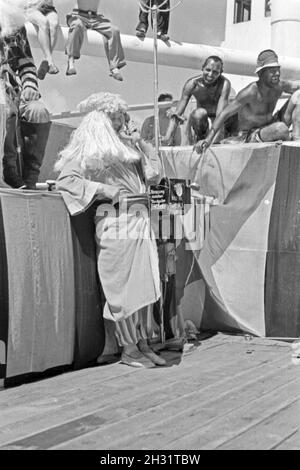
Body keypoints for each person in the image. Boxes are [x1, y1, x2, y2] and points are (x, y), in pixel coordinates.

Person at [55, 92, 166, 368]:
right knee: (123, 288)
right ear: (101, 121)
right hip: (115, 221)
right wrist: (103, 189)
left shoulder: (126, 147)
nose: (121, 125)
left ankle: (142, 343)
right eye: (115, 120)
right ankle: (128, 349)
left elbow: (154, 175)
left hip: (139, 219)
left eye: (122, 119)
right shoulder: (87, 150)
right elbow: (66, 181)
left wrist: (139, 143)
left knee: (143, 284)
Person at [195, 49, 300, 152]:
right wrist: (208, 139)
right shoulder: (250, 92)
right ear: (261, 73)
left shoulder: (279, 85)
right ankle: (292, 142)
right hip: (250, 135)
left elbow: (296, 85)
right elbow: (224, 114)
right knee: (281, 129)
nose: (277, 73)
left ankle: (296, 139)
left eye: (278, 69)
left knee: (298, 95)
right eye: (272, 71)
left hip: (272, 123)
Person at [1, 26, 51, 189]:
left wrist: (30, 85)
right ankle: (9, 169)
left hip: (12, 92)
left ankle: (31, 179)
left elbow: (26, 64)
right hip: (4, 99)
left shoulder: (12, 24)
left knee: (38, 111)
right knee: (4, 106)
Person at [162, 56, 232, 145]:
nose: (210, 75)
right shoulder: (192, 84)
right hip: (199, 121)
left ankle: (211, 142)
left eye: (215, 72)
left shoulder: (224, 84)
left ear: (220, 72)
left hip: (218, 121)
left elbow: (220, 116)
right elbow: (177, 114)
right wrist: (168, 137)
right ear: (202, 68)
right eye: (208, 70)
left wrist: (211, 141)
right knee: (199, 113)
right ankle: (198, 140)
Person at [65, 1, 126, 81]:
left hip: (95, 18)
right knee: (77, 25)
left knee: (114, 30)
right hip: (78, 15)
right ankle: (70, 62)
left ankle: (114, 67)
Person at [27, 0, 59, 80]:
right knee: (44, 23)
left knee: (54, 25)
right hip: (31, 8)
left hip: (49, 8)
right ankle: (50, 61)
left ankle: (46, 60)